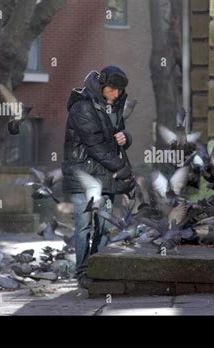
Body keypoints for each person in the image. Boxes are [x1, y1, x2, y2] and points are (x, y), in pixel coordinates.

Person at [62, 66, 135, 288]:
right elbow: (95, 144)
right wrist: (122, 168)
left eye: (119, 91)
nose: (115, 94)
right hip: (84, 175)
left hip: (106, 175)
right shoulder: (82, 107)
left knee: (104, 225)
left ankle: (98, 268)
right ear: (101, 86)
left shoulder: (112, 107)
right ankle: (83, 271)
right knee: (84, 225)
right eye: (112, 89)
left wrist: (126, 137)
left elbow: (115, 136)